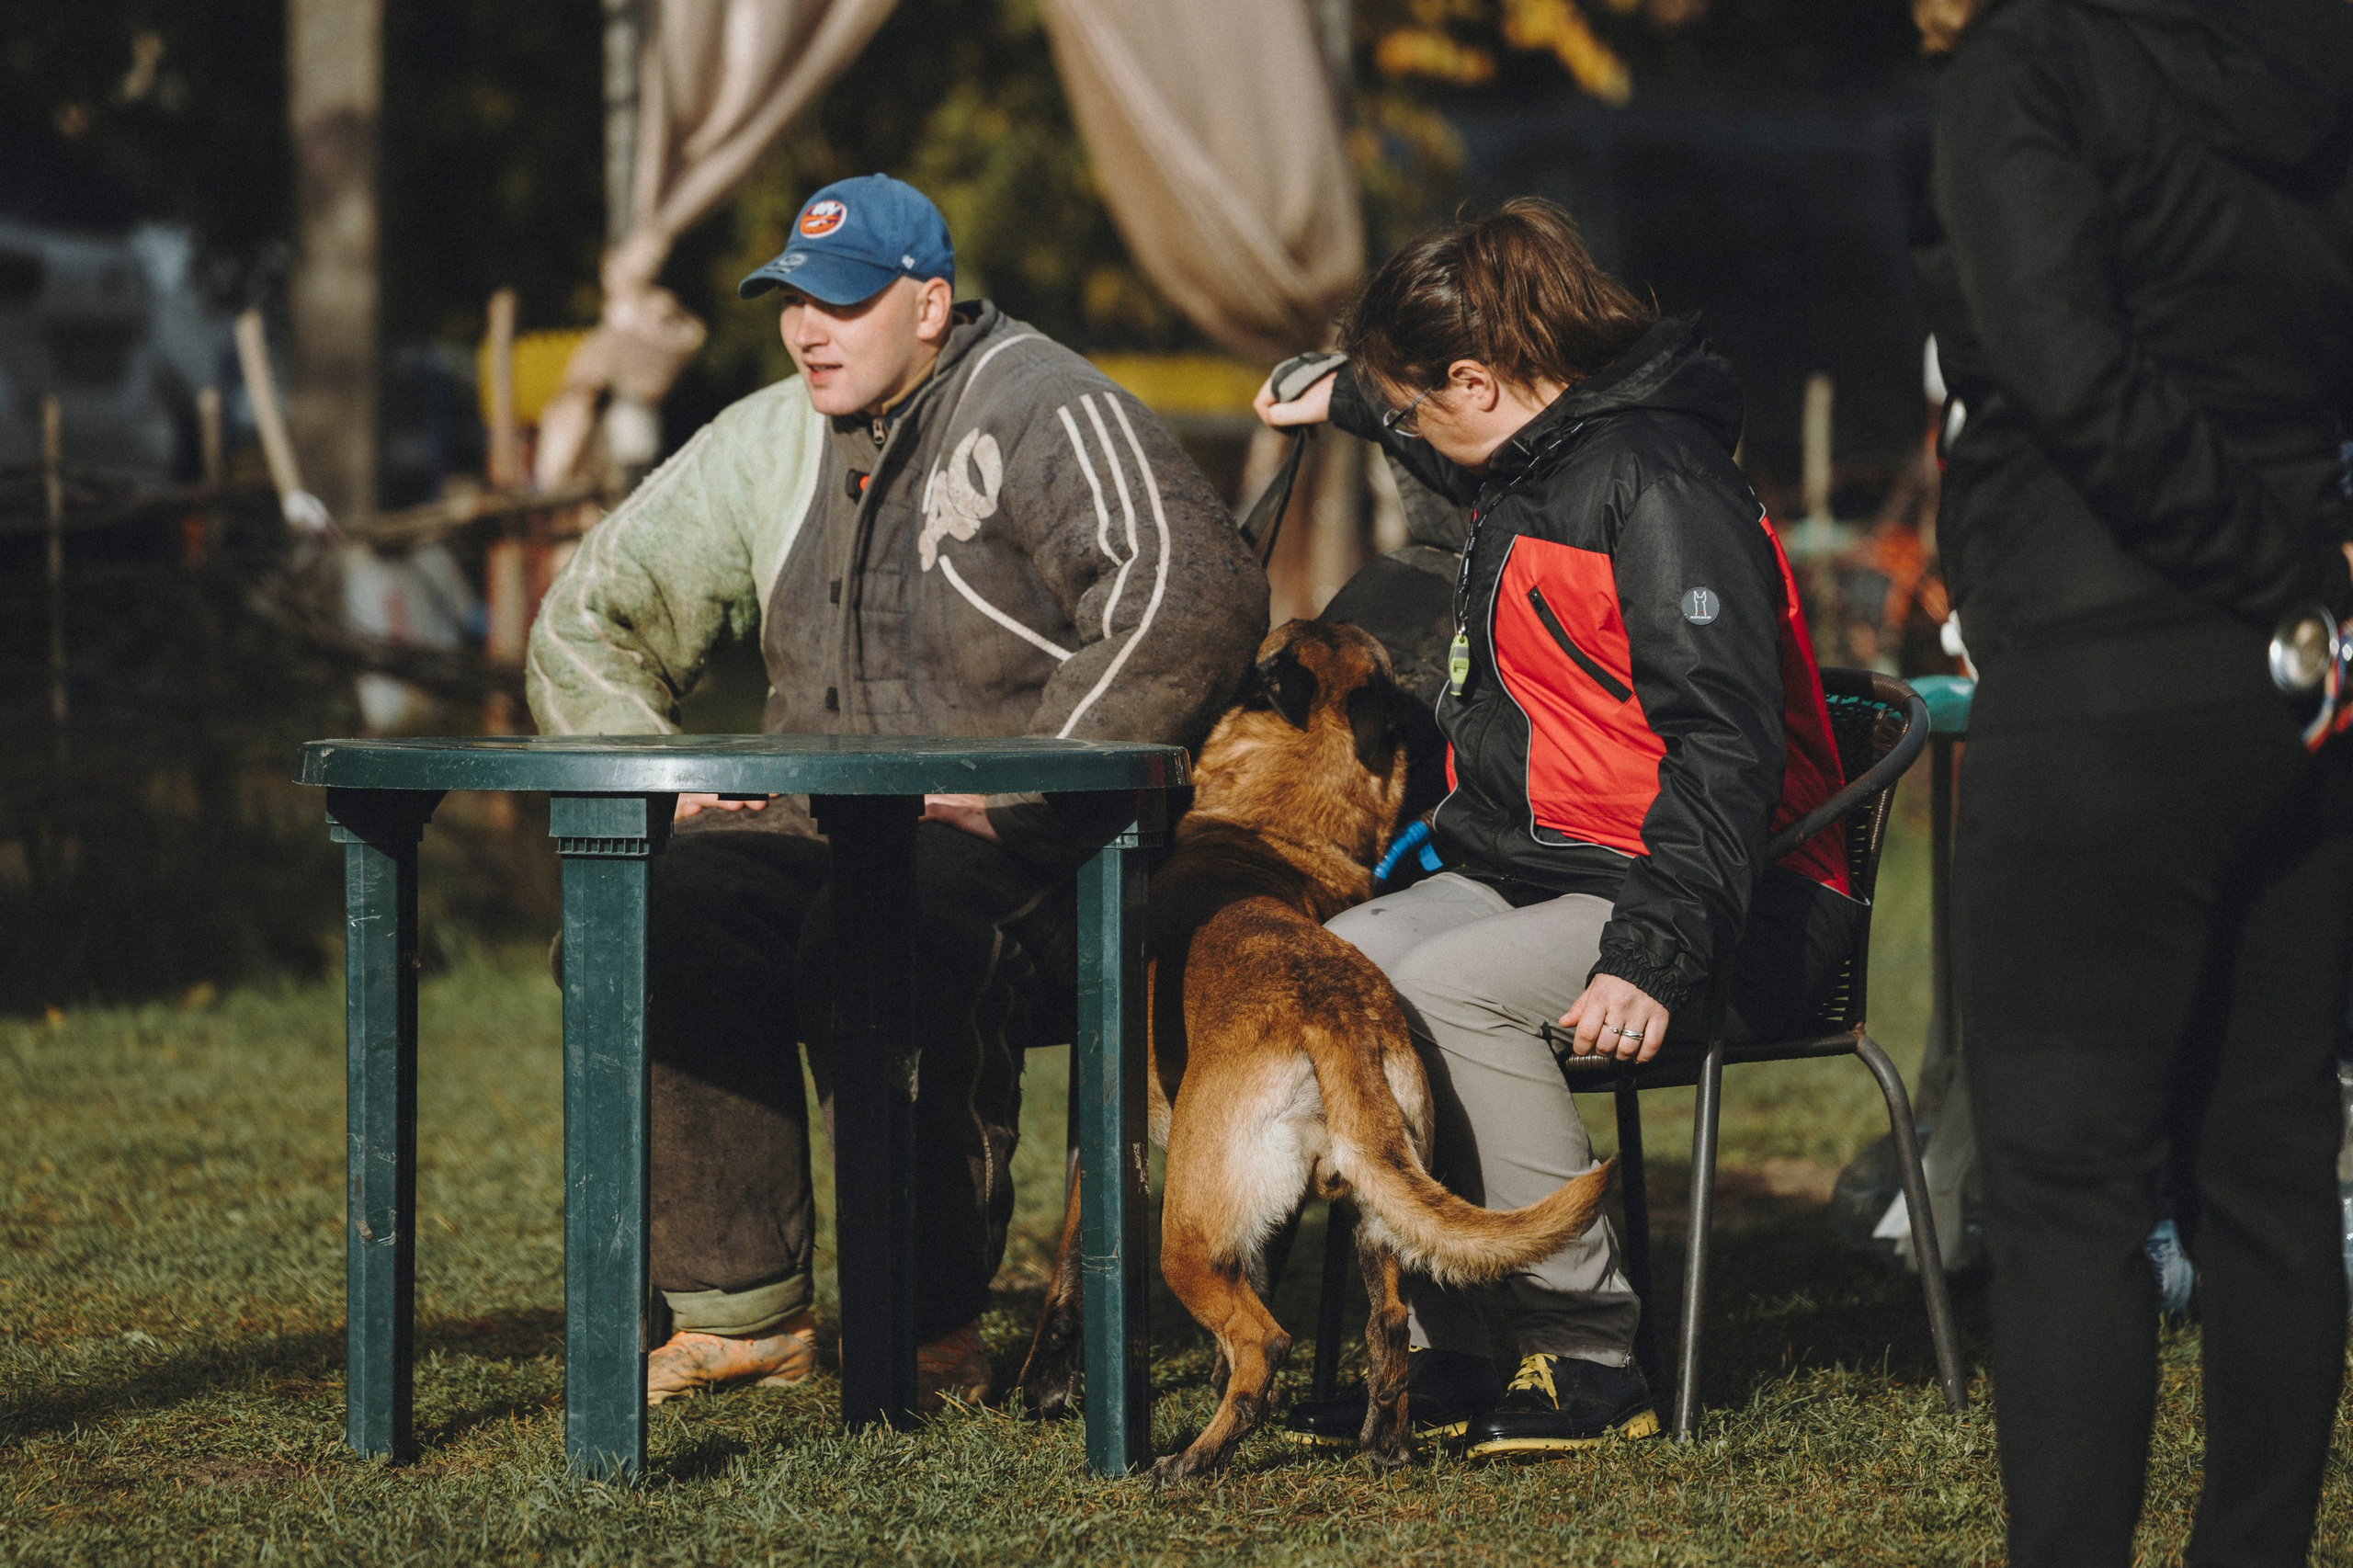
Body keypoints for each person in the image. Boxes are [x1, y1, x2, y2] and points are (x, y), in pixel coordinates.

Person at [526, 174, 1267, 1411]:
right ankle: (741, 1311)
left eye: (845, 301)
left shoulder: (1044, 405)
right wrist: (666, 783)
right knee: (662, 909)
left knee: (882, 929)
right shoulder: (772, 437)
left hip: (1039, 859)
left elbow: (1190, 593)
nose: (809, 329)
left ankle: (926, 1327)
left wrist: (1027, 788)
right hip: (821, 829)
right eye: (792, 302)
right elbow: (584, 619)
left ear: (928, 304)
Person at [1258, 199, 1862, 1458]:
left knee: (1460, 985)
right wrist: (1355, 400)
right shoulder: (1535, 461)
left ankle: (1587, 1352)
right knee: (1350, 962)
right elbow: (1442, 446)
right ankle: (1446, 1351)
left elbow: (1728, 746)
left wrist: (1654, 946)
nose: (1414, 429)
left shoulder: (1660, 486)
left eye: (1418, 404)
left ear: (1478, 377)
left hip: (1734, 904)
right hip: (1555, 868)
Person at [1912, 0, 2353, 1560]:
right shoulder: (2313, 67)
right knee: (2274, 1173)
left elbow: (2064, 362)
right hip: (2300, 686)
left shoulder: (2025, 71)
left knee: (2070, 1201)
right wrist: (2311, 593)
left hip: (2107, 676)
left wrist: (2256, 559)